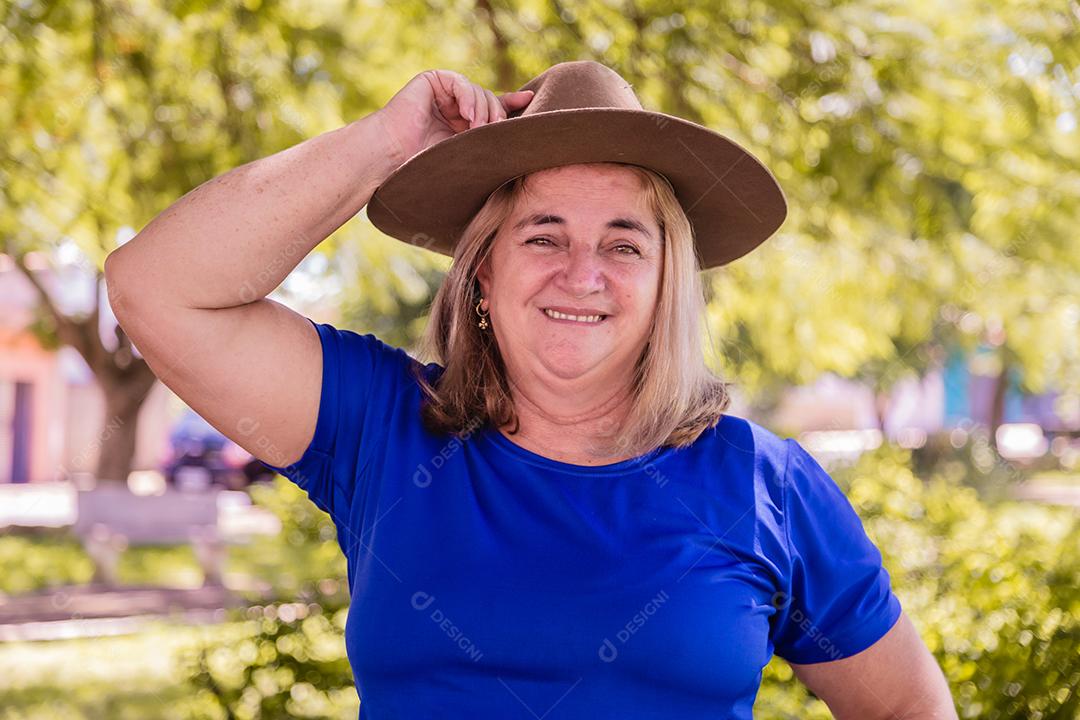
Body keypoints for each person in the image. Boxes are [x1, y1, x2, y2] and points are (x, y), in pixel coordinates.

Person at [105, 61, 957, 719]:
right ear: (482, 273)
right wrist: (383, 143)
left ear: (668, 286)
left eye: (624, 245)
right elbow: (156, 287)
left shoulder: (764, 484)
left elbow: (906, 704)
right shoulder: (382, 429)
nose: (581, 274)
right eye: (543, 236)